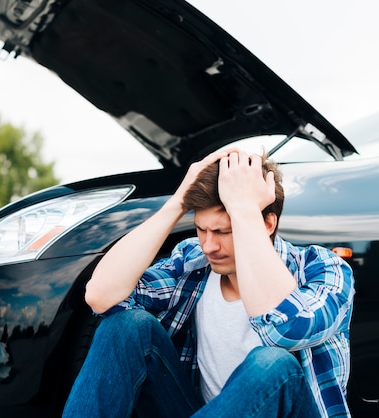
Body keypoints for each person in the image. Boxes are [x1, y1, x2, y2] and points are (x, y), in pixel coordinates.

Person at [62, 149, 355, 417]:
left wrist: (243, 210)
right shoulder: (193, 265)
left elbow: (283, 330)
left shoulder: (322, 268)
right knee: (126, 326)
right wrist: (177, 202)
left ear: (267, 223)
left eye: (224, 231)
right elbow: (101, 296)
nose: (209, 246)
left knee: (273, 363)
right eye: (201, 230)